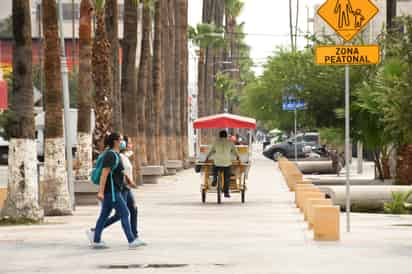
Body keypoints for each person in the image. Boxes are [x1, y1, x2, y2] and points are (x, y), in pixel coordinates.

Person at [87, 132, 144, 249]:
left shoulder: (116, 155)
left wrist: (129, 182)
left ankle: (96, 239)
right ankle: (131, 240)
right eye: (121, 140)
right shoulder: (110, 155)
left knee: (104, 215)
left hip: (114, 190)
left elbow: (121, 172)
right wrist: (101, 192)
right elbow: (104, 174)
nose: (123, 142)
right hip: (112, 192)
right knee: (124, 213)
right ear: (115, 141)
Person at [206, 130, 240, 198]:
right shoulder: (230, 143)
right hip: (227, 163)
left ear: (219, 135)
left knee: (214, 167)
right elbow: (235, 152)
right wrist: (238, 157)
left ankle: (215, 179)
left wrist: (207, 157)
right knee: (227, 178)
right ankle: (226, 193)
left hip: (217, 162)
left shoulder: (216, 142)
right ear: (226, 136)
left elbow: (211, 151)